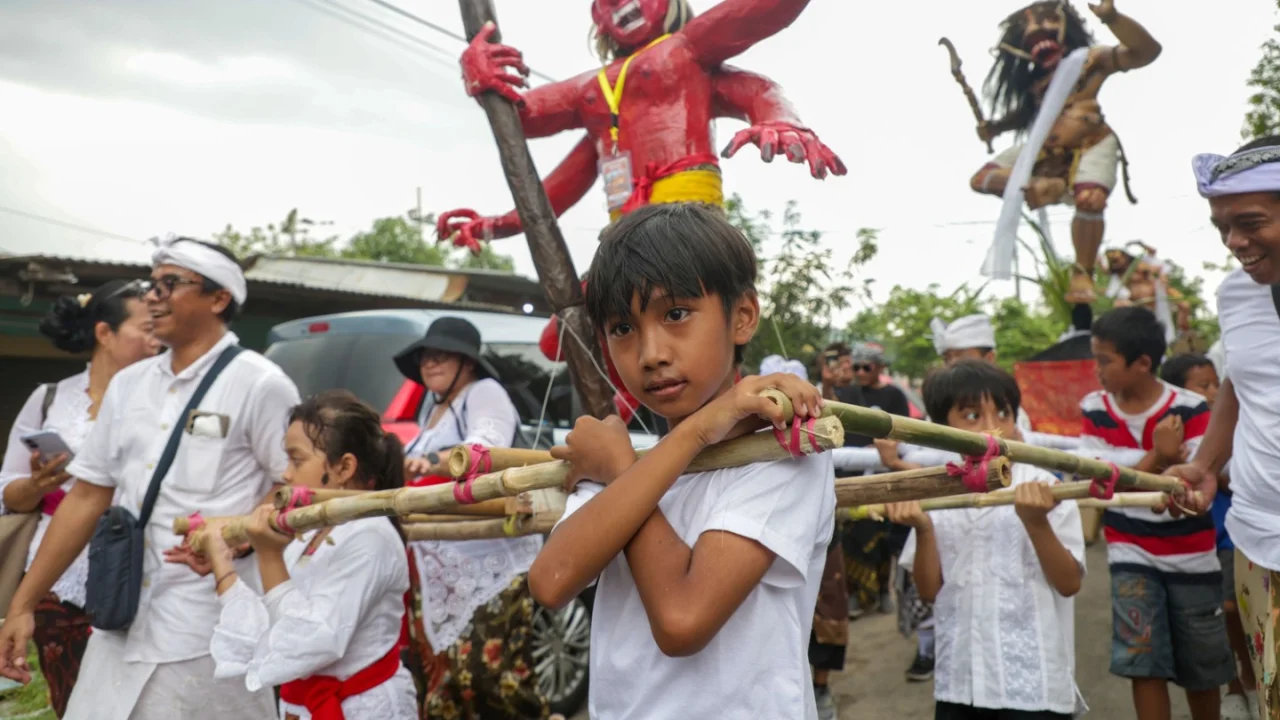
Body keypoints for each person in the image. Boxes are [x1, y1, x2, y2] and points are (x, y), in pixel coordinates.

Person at [527, 203, 834, 719]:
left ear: (742, 317)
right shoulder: (629, 459)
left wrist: (634, 465)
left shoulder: (784, 450)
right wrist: (673, 446)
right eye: (623, 328)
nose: (651, 353)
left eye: (675, 314)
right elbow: (552, 582)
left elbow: (683, 620)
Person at [0, 236, 301, 720]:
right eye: (151, 284)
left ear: (218, 298)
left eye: (171, 284)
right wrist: (23, 605)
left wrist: (237, 533)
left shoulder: (261, 383)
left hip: (207, 628)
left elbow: (291, 487)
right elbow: (86, 497)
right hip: (120, 617)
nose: (153, 297)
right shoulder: (130, 385)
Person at [166, 390, 417, 720]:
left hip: (363, 708)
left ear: (343, 467)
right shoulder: (310, 531)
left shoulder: (371, 537)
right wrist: (221, 563)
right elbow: (261, 632)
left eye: (296, 461)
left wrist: (269, 555)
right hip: (301, 707)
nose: (285, 474)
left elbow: (306, 645)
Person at [887, 359, 1086, 720]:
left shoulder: (1045, 486)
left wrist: (1036, 523)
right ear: (941, 427)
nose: (994, 429)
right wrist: (923, 527)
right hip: (961, 681)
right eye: (973, 416)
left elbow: (1070, 583)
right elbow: (930, 592)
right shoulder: (939, 490)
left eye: (1004, 414)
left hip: (1032, 685)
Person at [0, 280, 159, 716]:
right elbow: (8, 491)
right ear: (104, 333)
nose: (156, 340)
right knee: (73, 701)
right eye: (146, 328)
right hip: (58, 577)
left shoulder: (163, 402)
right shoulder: (51, 398)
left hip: (138, 570)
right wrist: (39, 485)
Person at [1078, 306, 1233, 720]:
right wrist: (1158, 457)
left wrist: (1144, 473)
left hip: (1193, 557)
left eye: (1104, 360)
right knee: (1143, 666)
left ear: (1142, 363)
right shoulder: (1094, 408)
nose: (1097, 370)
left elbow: (1189, 490)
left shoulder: (1193, 408)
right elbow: (1099, 484)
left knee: (1202, 669)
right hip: (1131, 556)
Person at [391, 316, 550, 719]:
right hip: (440, 561)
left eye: (443, 354)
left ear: (469, 362)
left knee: (488, 675)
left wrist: (427, 461)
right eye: (426, 355)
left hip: (488, 558)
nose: (431, 362)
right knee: (444, 678)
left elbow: (485, 447)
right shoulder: (435, 407)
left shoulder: (485, 392)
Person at [1160, 354, 1256, 720]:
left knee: (1235, 608)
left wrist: (1209, 462)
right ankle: (1234, 685)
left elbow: (1236, 472)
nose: (1213, 391)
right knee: (1215, 615)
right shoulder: (1175, 431)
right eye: (1203, 386)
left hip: (1233, 533)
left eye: (1216, 383)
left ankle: (1247, 678)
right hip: (1200, 539)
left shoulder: (1232, 425)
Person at [930, 313, 1033, 434]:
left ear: (989, 359)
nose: (953, 365)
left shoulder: (1017, 418)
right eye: (947, 358)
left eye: (963, 358)